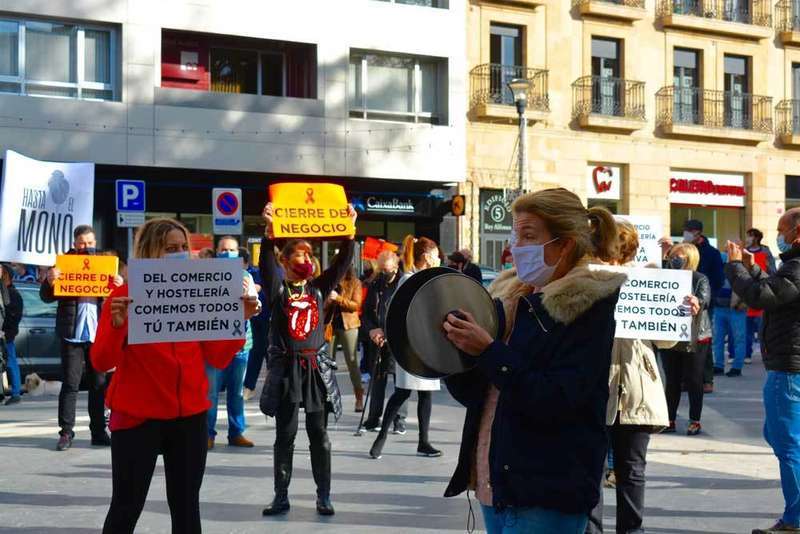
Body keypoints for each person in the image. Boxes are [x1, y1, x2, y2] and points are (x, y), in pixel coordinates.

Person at [442, 187, 625, 533]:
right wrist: (452, 353)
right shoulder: (509, 300)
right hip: (495, 481)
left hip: (546, 489)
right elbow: (479, 395)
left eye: (529, 236)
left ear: (565, 244)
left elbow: (557, 398)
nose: (515, 247)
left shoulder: (587, 307)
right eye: (515, 234)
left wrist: (489, 351)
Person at [92, 217, 259, 534]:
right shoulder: (124, 295)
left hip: (189, 417)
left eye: (184, 247)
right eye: (171, 248)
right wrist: (116, 326)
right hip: (138, 418)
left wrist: (240, 320)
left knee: (186, 507)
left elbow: (218, 356)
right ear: (150, 251)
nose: (180, 253)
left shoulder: (198, 293)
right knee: (126, 507)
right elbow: (101, 362)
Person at [259, 202, 356, 517]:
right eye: (299, 253)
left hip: (316, 370)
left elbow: (342, 264)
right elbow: (266, 266)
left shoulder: (317, 287)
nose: (306, 256)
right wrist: (269, 230)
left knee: (320, 435)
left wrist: (349, 232)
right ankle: (280, 496)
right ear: (285, 260)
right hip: (287, 371)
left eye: (308, 252)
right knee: (284, 436)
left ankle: (324, 496)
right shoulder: (277, 289)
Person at [585, 221, 673, 534]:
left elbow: (666, 341)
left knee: (632, 469)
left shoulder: (647, 281)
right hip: (596, 384)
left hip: (636, 387)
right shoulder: (587, 279)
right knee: (592, 468)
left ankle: (631, 531)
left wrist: (680, 314)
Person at [724, 208, 800, 534]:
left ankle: (795, 520)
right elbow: (773, 288)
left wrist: (734, 267)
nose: (777, 236)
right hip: (787, 366)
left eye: (782, 230)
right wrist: (751, 269)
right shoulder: (792, 266)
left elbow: (761, 295)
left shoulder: (797, 266)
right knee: (781, 436)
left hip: (789, 368)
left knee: (788, 445)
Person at [40, 225, 122, 451]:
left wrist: (119, 286)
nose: (86, 247)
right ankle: (66, 433)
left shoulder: (106, 265)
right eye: (82, 243)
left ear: (95, 243)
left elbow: (119, 298)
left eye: (90, 243)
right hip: (72, 334)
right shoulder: (63, 264)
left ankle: (98, 432)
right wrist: (49, 281)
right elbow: (46, 297)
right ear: (75, 244)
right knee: (71, 384)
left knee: (98, 385)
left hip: (97, 334)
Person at [369, 237, 444, 460]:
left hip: (428, 344)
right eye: (436, 255)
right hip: (411, 345)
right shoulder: (409, 279)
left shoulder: (426, 278)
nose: (439, 259)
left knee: (426, 393)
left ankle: (424, 441)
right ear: (427, 257)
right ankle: (381, 436)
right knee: (403, 391)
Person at [206, 236, 260, 449]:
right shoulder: (206, 277)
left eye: (231, 250)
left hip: (240, 347)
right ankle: (207, 434)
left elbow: (256, 308)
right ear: (216, 252)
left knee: (237, 393)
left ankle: (236, 432)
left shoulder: (246, 276)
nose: (227, 253)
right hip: (214, 346)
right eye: (223, 249)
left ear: (238, 254)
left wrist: (247, 292)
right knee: (210, 393)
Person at [659, 243, 711, 436]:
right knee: (671, 380)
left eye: (680, 257)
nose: (675, 259)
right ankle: (669, 419)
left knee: (694, 380)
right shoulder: (665, 276)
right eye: (673, 256)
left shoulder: (699, 279)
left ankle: (694, 420)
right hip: (670, 335)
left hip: (696, 336)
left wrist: (698, 301)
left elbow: (705, 299)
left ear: (690, 258)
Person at [361, 251, 408, 434]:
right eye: (381, 269)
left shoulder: (403, 283)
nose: (384, 273)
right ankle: (373, 418)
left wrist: (391, 333)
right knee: (377, 379)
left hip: (397, 339)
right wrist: (372, 330)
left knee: (400, 381)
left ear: (396, 267)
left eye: (387, 270)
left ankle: (399, 420)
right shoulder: (375, 283)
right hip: (378, 339)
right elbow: (366, 313)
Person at [683, 220, 723, 393]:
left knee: (703, 340)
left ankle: (707, 379)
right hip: (684, 302)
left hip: (704, 304)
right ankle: (686, 379)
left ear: (698, 232)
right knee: (683, 342)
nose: (686, 234)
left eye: (689, 231)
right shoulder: (684, 250)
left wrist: (704, 297)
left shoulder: (712, 253)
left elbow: (719, 279)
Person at [326, 266, 364, 412]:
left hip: (349, 325)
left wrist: (338, 298)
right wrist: (328, 301)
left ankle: (359, 397)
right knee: (327, 363)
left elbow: (356, 305)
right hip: (330, 326)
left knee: (352, 361)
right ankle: (328, 397)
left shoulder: (355, 282)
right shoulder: (330, 281)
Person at [712, 252, 748, 378]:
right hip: (719, 308)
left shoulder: (741, 270)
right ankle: (718, 365)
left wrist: (742, 303)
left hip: (736, 309)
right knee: (717, 339)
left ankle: (737, 367)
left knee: (738, 338)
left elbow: (747, 288)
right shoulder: (717, 272)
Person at [745, 228, 777, 365]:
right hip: (746, 291)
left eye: (750, 236)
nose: (748, 239)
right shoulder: (744, 252)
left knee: (762, 328)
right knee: (746, 329)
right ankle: (747, 354)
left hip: (761, 292)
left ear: (756, 238)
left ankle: (766, 353)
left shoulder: (765, 251)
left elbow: (773, 271)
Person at [243, 245, 271, 401]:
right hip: (253, 320)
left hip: (266, 318)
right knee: (256, 353)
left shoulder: (256, 273)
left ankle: (266, 388)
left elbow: (258, 287)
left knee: (266, 353)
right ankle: (249, 386)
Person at [0, 264, 23, 405]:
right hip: (5, 333)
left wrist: (6, 332)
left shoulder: (12, 294)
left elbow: (13, 316)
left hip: (5, 334)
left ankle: (15, 393)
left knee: (10, 362)